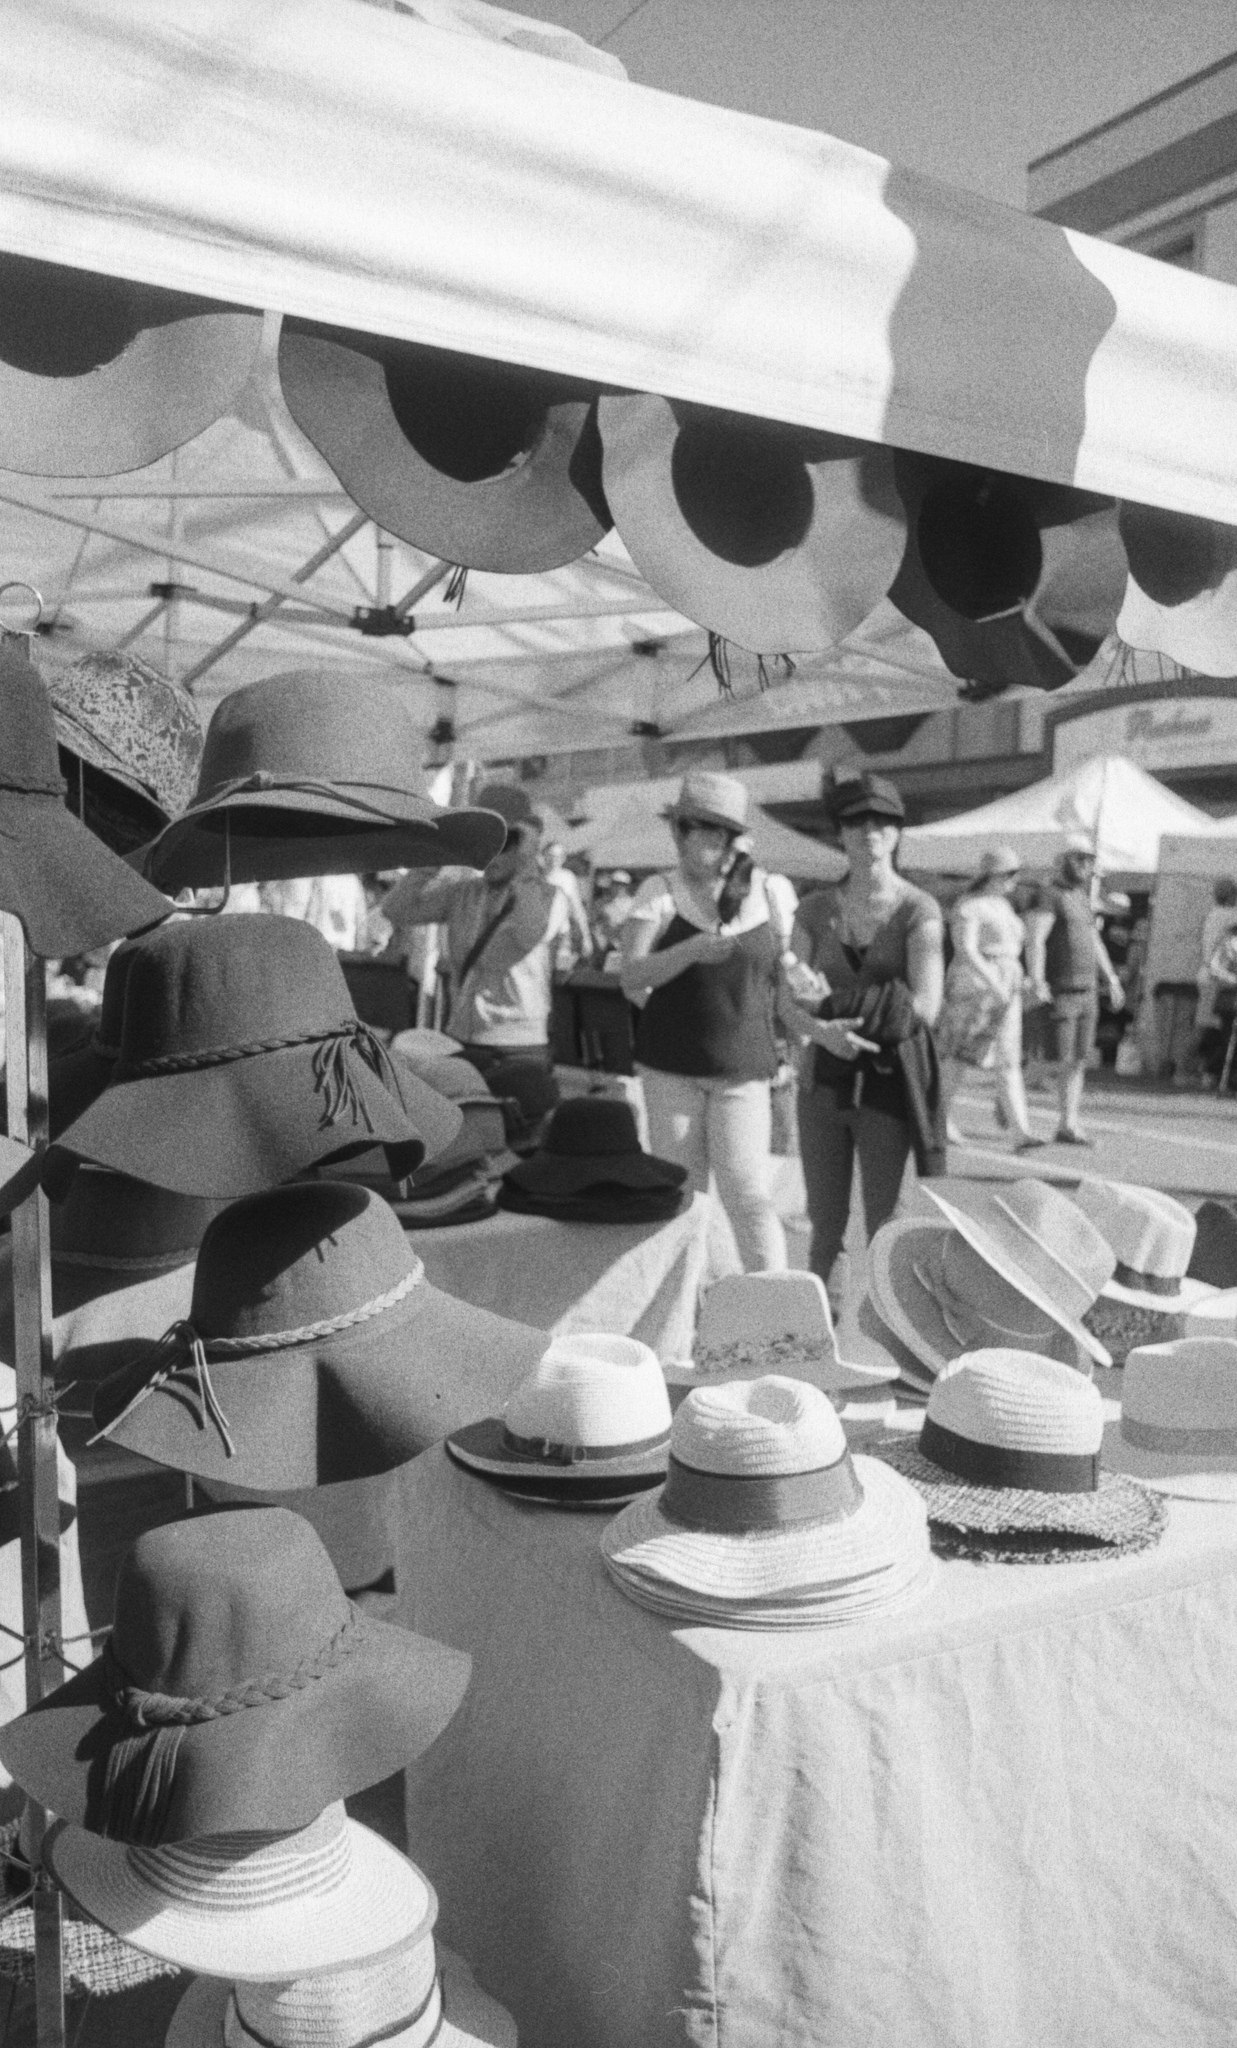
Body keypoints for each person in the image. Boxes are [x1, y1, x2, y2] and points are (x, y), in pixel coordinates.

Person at [618, 770, 795, 1272]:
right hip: (670, 1067)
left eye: (715, 831)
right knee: (684, 1196)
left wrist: (801, 1027)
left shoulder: (770, 891)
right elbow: (631, 976)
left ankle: (775, 1302)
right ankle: (693, 1301)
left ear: (734, 838)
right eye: (690, 828)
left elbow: (784, 977)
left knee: (747, 1193)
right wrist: (690, 951)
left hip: (743, 1069)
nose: (693, 840)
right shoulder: (658, 891)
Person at [787, 769, 944, 1305]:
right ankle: (819, 1329)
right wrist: (821, 1030)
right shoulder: (814, 909)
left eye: (882, 822)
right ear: (840, 833)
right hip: (823, 1078)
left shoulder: (919, 909)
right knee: (824, 1222)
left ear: (898, 832)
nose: (869, 832)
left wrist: (834, 1008)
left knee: (885, 1221)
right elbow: (786, 1000)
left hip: (886, 1082)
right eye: (856, 822)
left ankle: (889, 1327)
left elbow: (925, 1006)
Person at [381, 784, 578, 1113]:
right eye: (485, 842)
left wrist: (526, 863)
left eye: (506, 841)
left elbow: (527, 936)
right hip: (463, 1036)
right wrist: (435, 856)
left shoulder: (548, 896)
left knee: (521, 1134)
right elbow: (396, 910)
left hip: (520, 1045)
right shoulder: (463, 892)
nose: (492, 854)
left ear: (525, 843)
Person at [936, 844, 1043, 1151]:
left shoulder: (1003, 906)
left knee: (1008, 1059)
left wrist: (1020, 979)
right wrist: (994, 982)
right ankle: (937, 1118)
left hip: (1005, 985)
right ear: (993, 875)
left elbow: (1012, 948)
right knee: (958, 1057)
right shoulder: (970, 906)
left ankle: (1021, 1131)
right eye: (1010, 874)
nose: (1014, 880)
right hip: (976, 987)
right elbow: (966, 949)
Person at [1023, 840, 1124, 1146]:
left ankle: (1068, 1125)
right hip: (1060, 988)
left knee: (1078, 1059)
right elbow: (1036, 939)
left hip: (1086, 989)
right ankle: (1009, 1093)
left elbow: (1094, 940)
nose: (1086, 866)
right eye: (1079, 859)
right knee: (1054, 1057)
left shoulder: (1080, 896)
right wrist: (1037, 979)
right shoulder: (1047, 894)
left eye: (1089, 860)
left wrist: (1111, 978)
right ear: (1062, 860)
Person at [541, 840, 594, 960]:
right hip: (538, 934)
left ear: (563, 858)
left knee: (560, 967)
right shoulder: (536, 877)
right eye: (550, 855)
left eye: (558, 856)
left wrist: (586, 937)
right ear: (543, 855)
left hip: (561, 934)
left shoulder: (567, 878)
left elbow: (577, 908)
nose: (554, 860)